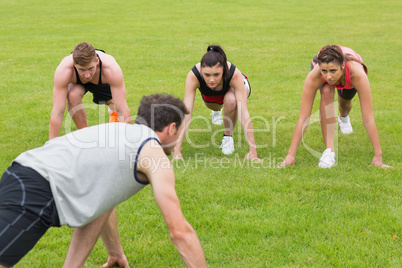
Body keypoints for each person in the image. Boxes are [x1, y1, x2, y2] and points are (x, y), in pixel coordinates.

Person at [0, 94, 207, 268]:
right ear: (172, 128)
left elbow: (103, 199)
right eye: (180, 131)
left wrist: (115, 252)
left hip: (21, 173)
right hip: (36, 191)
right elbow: (180, 232)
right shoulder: (154, 154)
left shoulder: (118, 132)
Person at [280, 45, 391, 168]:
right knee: (326, 91)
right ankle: (329, 151)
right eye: (324, 71)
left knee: (345, 104)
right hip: (328, 65)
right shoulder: (315, 75)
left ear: (342, 66)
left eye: (333, 71)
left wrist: (378, 156)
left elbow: (368, 118)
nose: (328, 77)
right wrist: (290, 156)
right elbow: (303, 117)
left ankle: (343, 117)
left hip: (348, 74)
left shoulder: (358, 75)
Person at [173, 45, 260, 161]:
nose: (212, 79)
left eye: (216, 75)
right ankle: (217, 111)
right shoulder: (193, 76)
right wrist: (176, 152)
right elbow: (186, 113)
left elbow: (243, 113)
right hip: (212, 96)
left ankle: (227, 137)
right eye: (207, 75)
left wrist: (253, 153)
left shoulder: (234, 74)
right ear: (201, 71)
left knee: (231, 100)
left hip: (235, 88)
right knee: (214, 106)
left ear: (223, 70)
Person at [49, 42, 132, 140]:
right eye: (82, 70)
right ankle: (86, 136)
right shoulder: (64, 71)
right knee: (72, 95)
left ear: (97, 61)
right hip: (78, 82)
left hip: (101, 78)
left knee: (114, 104)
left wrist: (130, 142)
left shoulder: (110, 69)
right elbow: (57, 112)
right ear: (74, 65)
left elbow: (122, 109)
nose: (87, 75)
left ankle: (112, 111)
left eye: (90, 68)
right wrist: (51, 144)